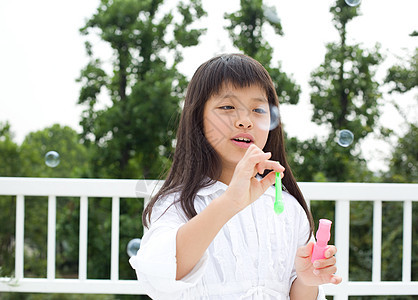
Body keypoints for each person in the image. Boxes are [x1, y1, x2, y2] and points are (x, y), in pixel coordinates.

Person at [129, 53, 342, 299]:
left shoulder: (288, 209)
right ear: (198, 118)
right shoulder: (176, 204)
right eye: (228, 107)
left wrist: (307, 281)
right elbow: (160, 276)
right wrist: (230, 202)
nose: (244, 121)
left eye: (258, 109)